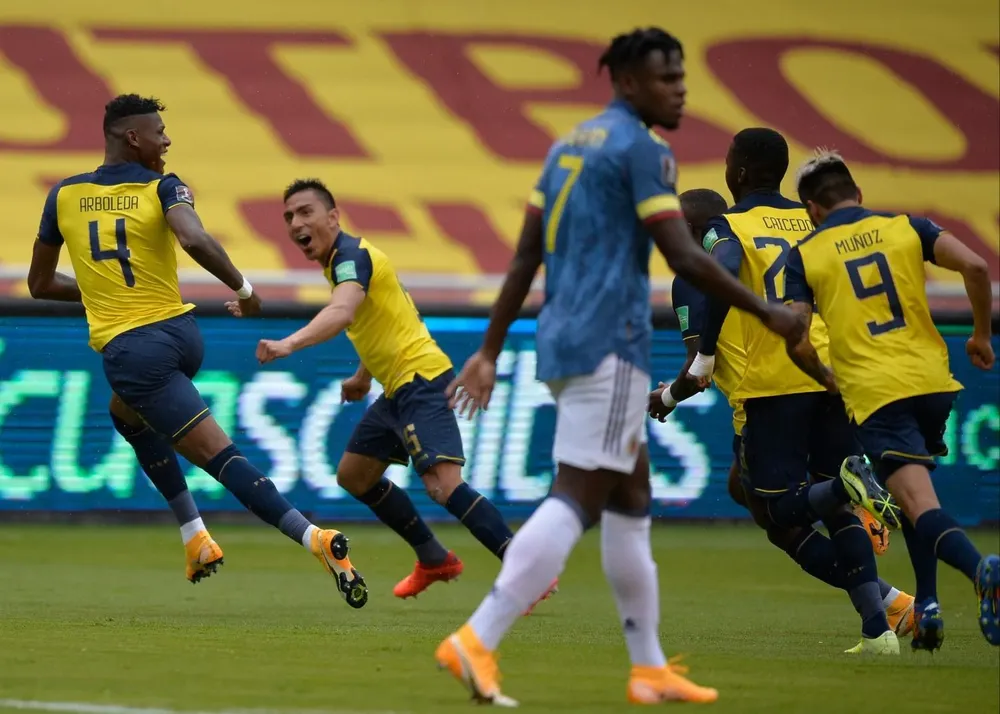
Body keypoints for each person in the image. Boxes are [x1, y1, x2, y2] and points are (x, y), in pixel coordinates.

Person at [434, 29, 803, 707]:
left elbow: (524, 257)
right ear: (629, 82)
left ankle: (648, 665)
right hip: (611, 342)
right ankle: (477, 638)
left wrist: (489, 349)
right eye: (667, 78)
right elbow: (687, 257)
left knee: (632, 500)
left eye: (681, 75)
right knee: (577, 494)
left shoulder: (567, 146)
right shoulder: (644, 152)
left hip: (566, 337)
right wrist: (769, 312)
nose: (681, 89)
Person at [25, 94, 368, 608]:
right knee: (126, 414)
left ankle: (315, 539)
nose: (167, 140)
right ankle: (195, 537)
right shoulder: (164, 186)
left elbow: (39, 283)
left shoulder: (63, 195)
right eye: (159, 131)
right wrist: (245, 290)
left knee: (219, 458)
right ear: (132, 137)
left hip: (134, 351)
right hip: (181, 337)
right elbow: (193, 238)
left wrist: (103, 293)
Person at [254, 179, 555, 607]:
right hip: (398, 387)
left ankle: (527, 570)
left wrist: (289, 343)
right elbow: (384, 316)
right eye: (288, 216)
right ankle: (433, 558)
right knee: (354, 474)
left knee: (444, 486)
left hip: (421, 380)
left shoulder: (351, 257)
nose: (295, 223)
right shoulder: (347, 262)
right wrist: (363, 375)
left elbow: (342, 312)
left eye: (305, 212)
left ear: (333, 217)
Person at [650, 187, 915, 647]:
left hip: (767, 395)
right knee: (759, 489)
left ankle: (886, 599)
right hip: (830, 374)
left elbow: (698, 370)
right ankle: (881, 623)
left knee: (775, 512)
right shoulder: (800, 231)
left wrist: (666, 398)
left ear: (695, 231)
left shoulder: (694, 275)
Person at [785, 149, 1000, 651]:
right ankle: (928, 605)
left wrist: (822, 373)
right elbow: (974, 267)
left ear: (812, 209)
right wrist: (983, 337)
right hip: (933, 380)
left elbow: (796, 334)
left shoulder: (807, 253)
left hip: (879, 391)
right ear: (858, 195)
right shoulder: (908, 226)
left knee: (918, 503)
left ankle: (980, 568)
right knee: (914, 500)